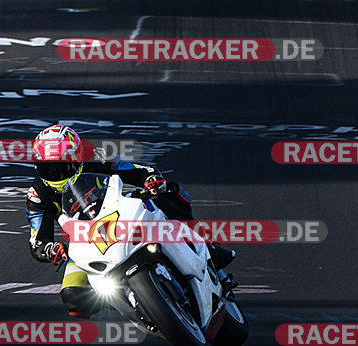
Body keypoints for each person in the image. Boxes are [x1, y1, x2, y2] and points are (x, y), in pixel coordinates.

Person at [26, 123, 236, 318]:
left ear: (77, 158)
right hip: (85, 242)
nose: (54, 174)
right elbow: (37, 242)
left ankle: (209, 248)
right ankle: (130, 303)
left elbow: (137, 171)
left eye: (60, 168)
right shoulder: (38, 194)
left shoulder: (96, 158)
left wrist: (151, 180)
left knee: (168, 194)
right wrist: (51, 250)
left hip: (121, 214)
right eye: (47, 168)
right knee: (73, 297)